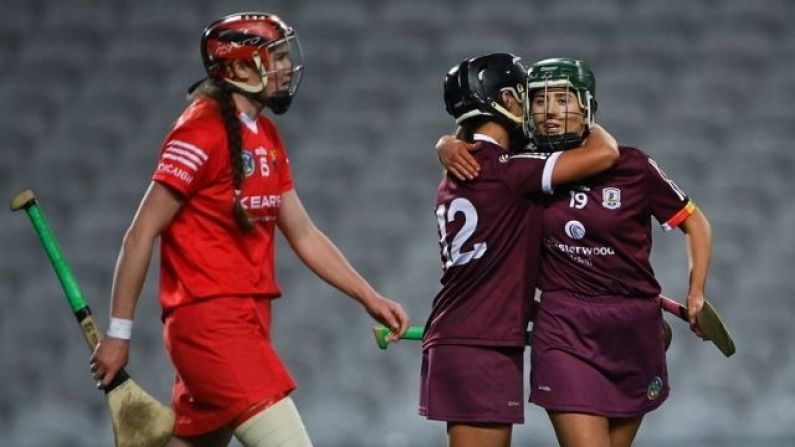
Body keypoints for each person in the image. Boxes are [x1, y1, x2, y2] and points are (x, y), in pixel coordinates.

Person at [89, 12, 409, 447]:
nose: (285, 67)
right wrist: (118, 334)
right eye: (273, 57)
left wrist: (369, 297)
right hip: (211, 327)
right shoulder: (198, 131)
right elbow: (139, 234)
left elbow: (304, 234)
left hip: (248, 320)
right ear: (238, 68)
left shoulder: (267, 135)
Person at [437, 57, 712, 447]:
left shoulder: (634, 166)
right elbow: (476, 155)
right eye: (538, 100)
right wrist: (446, 144)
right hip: (565, 327)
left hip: (634, 329)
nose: (549, 111)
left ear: (587, 106)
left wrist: (696, 291)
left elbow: (695, 223)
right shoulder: (523, 165)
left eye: (562, 99)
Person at [421, 53, 619, 447]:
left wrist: (445, 141)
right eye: (526, 96)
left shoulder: (458, 167)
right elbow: (606, 153)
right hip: (480, 341)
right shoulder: (512, 170)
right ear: (508, 100)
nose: (536, 109)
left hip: (469, 334)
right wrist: (586, 115)